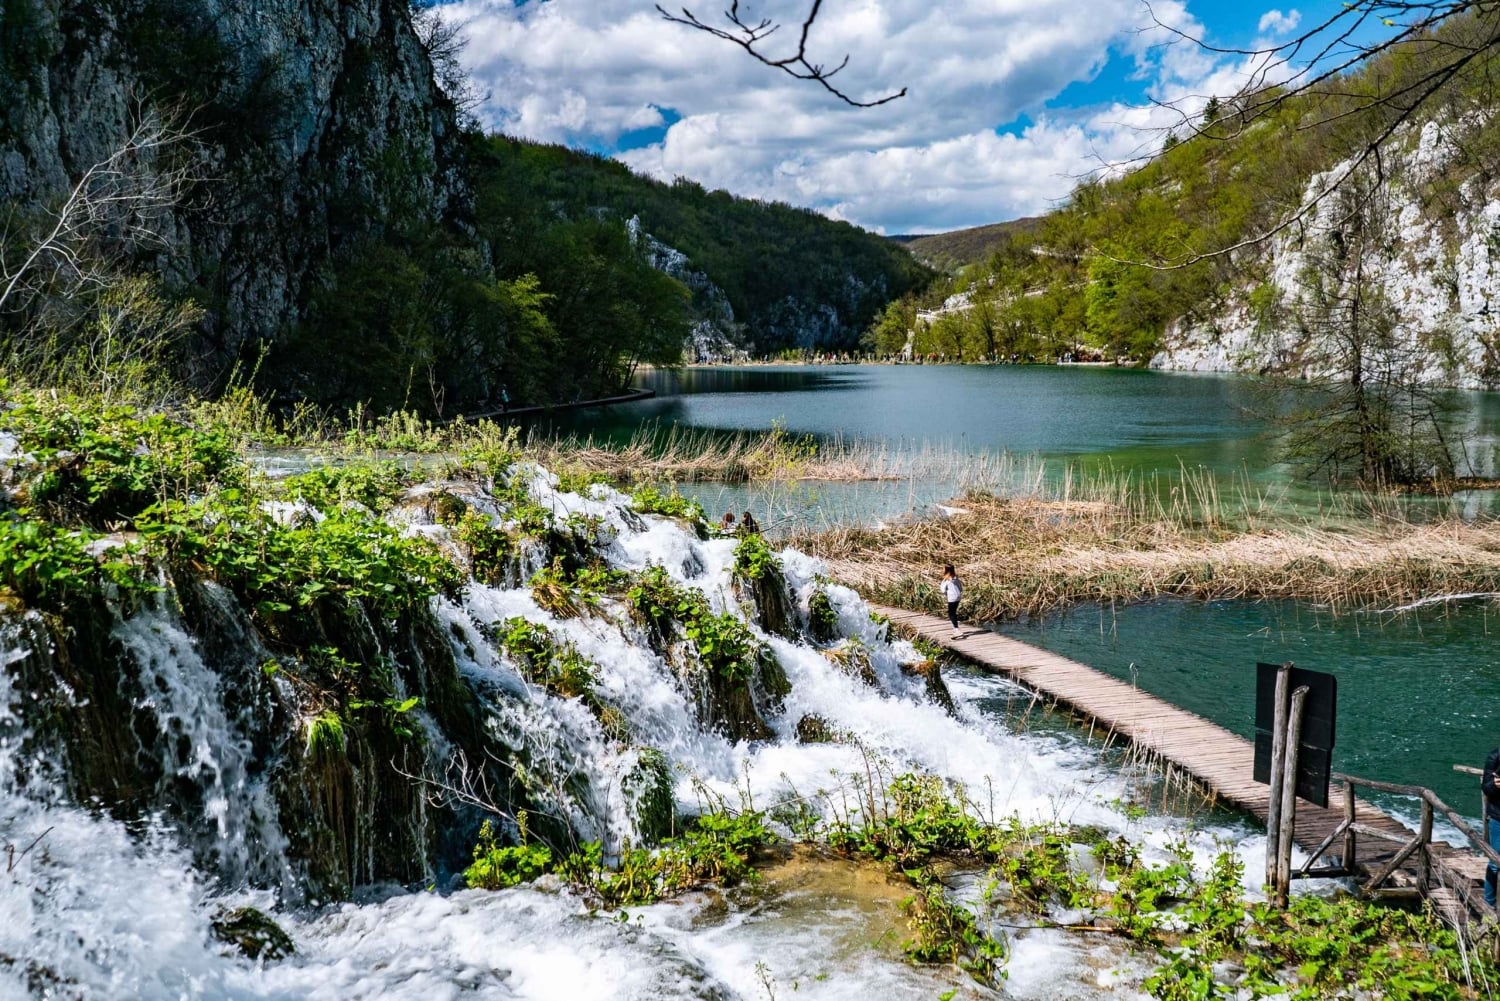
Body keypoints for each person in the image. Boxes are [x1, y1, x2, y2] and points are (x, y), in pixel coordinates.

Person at [1484, 746, 1500, 907]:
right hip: (1498, 817)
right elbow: (1486, 787)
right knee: (1495, 863)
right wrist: (1495, 785)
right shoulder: (1495, 756)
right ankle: (1489, 905)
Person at [940, 564, 962, 636]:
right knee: (953, 612)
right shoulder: (956, 578)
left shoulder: (946, 579)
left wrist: (946, 593)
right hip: (958, 596)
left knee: (951, 613)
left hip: (952, 597)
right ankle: (955, 628)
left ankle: (956, 629)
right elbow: (960, 588)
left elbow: (943, 590)